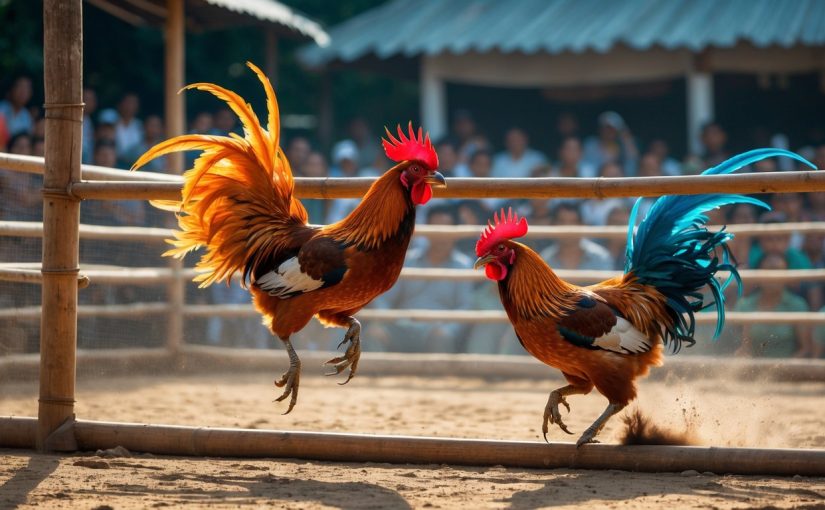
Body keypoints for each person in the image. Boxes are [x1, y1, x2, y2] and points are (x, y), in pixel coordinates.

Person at [370, 205, 474, 353]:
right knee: (374, 335)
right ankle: (373, 377)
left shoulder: (463, 266)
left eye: (446, 229)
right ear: (427, 230)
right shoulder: (406, 260)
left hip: (436, 331)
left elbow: (465, 307)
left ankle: (438, 376)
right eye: (435, 228)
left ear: (455, 232)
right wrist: (385, 323)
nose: (440, 234)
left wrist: (448, 330)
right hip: (402, 326)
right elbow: (384, 298)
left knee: (442, 339)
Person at [734, 254, 812, 358]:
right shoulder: (744, 305)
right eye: (768, 271)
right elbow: (739, 347)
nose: (773, 277)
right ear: (758, 276)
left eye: (778, 272)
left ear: (787, 277)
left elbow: (805, 349)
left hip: (789, 370)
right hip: (751, 369)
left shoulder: (797, 305)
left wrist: (784, 370)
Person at [540, 202, 613, 270]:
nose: (567, 227)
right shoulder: (545, 260)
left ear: (582, 225)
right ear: (553, 225)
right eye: (562, 221)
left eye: (573, 222)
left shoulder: (600, 257)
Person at [582, 111, 638, 176]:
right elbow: (586, 169)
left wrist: (626, 139)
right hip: (595, 181)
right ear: (600, 129)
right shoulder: (591, 144)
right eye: (606, 128)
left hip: (619, 182)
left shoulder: (623, 145)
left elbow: (632, 165)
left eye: (612, 129)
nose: (609, 132)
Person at [325, 140, 361, 223]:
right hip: (334, 226)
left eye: (349, 162)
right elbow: (328, 207)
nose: (347, 165)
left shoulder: (365, 175)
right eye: (343, 162)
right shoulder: (331, 178)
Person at [114, 93, 144, 167]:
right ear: (120, 104)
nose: (130, 106)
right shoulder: (113, 124)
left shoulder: (140, 126)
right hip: (115, 163)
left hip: (136, 164)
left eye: (133, 103)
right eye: (127, 102)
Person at [81, 88, 98, 163]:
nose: (89, 103)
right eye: (86, 99)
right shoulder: (70, 120)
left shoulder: (93, 122)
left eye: (92, 100)